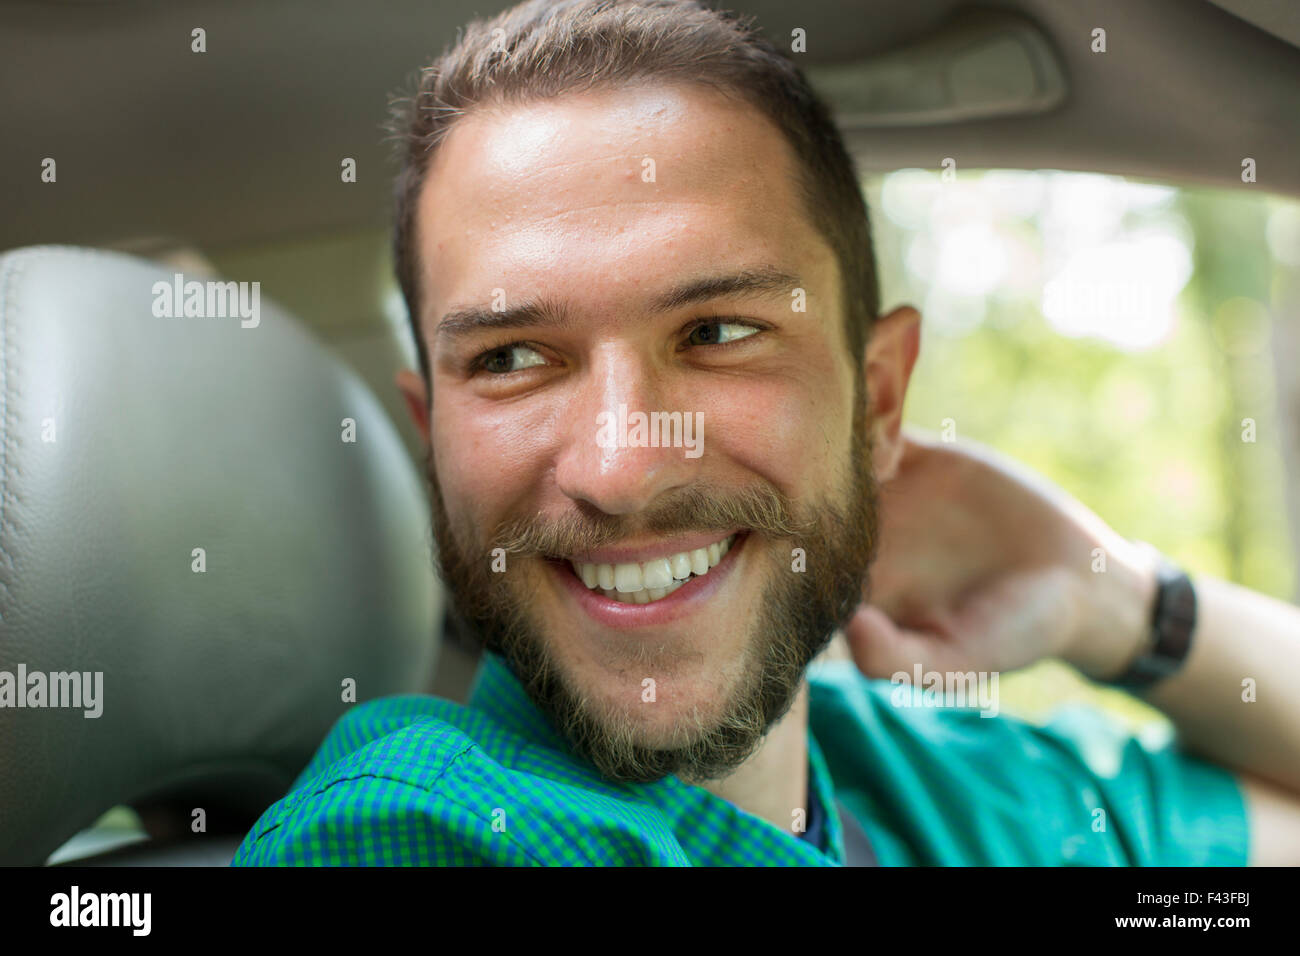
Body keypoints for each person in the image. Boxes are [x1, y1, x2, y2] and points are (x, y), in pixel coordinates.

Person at [232, 0, 1300, 866]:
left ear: (876, 399)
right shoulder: (413, 829)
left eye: (719, 331)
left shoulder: (947, 780)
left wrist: (1115, 598)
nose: (620, 464)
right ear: (435, 444)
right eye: (511, 357)